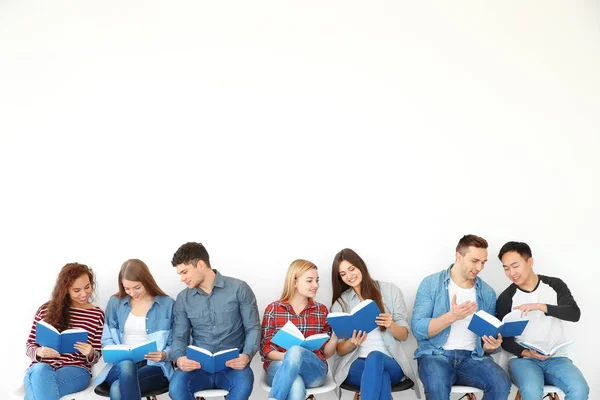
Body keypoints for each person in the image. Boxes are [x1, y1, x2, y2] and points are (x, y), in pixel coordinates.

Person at [411, 234, 510, 400]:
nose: (479, 267)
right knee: (436, 385)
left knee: (501, 382)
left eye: (483, 262)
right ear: (458, 256)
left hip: (473, 358)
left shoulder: (487, 292)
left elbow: (488, 340)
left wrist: (491, 346)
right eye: (474, 260)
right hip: (436, 355)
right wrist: (451, 316)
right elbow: (418, 329)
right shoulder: (431, 284)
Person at [496, 241, 589, 400]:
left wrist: (540, 306)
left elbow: (574, 314)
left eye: (515, 265)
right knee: (532, 392)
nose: (511, 272)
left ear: (530, 262)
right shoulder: (506, 297)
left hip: (557, 358)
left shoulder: (555, 285)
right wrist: (526, 353)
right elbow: (505, 339)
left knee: (580, 389)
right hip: (523, 360)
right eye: (506, 268)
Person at [168, 242, 261, 400]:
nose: (182, 279)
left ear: (200, 265)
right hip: (198, 367)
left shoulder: (239, 289)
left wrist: (246, 355)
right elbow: (180, 337)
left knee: (243, 386)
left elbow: (253, 328)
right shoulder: (183, 298)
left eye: (184, 272)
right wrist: (179, 358)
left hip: (233, 366)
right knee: (176, 388)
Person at [330, 248, 420, 400]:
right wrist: (352, 343)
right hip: (355, 366)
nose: (349, 276)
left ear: (361, 266)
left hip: (391, 362)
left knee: (375, 358)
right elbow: (339, 350)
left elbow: (404, 335)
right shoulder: (341, 303)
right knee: (381, 378)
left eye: (351, 269)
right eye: (343, 274)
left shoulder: (391, 290)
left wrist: (391, 324)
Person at [96, 259, 175, 400]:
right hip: (119, 366)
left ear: (147, 280)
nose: (132, 293)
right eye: (127, 288)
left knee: (117, 388)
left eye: (137, 287)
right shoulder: (115, 303)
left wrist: (164, 355)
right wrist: (116, 352)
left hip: (154, 366)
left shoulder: (167, 305)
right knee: (126, 365)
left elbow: (177, 342)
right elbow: (107, 339)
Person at [24, 263, 106, 400]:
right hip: (40, 370)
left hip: (76, 371)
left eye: (87, 287)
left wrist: (91, 353)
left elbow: (97, 354)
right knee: (41, 370)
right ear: (66, 289)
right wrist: (38, 352)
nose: (84, 294)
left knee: (38, 390)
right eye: (77, 290)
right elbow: (30, 345)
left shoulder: (97, 315)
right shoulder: (45, 310)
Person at [261, 259, 338, 400]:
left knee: (295, 351)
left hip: (314, 371)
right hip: (279, 367)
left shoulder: (321, 311)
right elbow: (265, 348)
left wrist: (334, 337)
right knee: (295, 382)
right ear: (294, 282)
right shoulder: (273, 309)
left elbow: (326, 353)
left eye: (317, 280)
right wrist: (291, 358)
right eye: (310, 281)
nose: (316, 285)